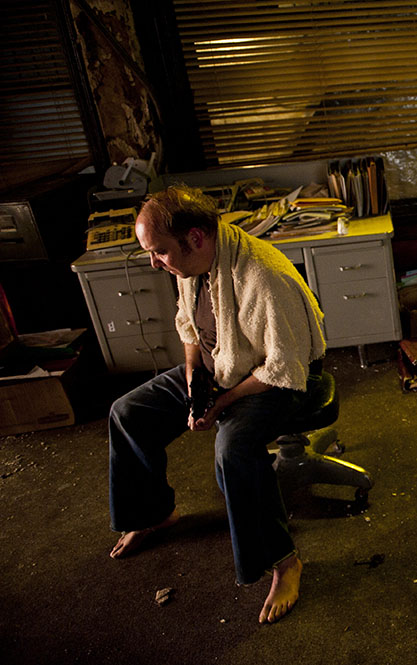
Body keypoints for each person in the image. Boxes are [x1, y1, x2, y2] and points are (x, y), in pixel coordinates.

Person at [107, 186, 327, 623]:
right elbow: (188, 328)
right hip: (222, 364)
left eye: (159, 252)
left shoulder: (263, 275)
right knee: (128, 412)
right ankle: (154, 513)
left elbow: (283, 366)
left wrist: (219, 403)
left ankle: (284, 561)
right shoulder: (191, 263)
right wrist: (193, 379)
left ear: (195, 238)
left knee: (233, 450)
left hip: (276, 378)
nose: (155, 263)